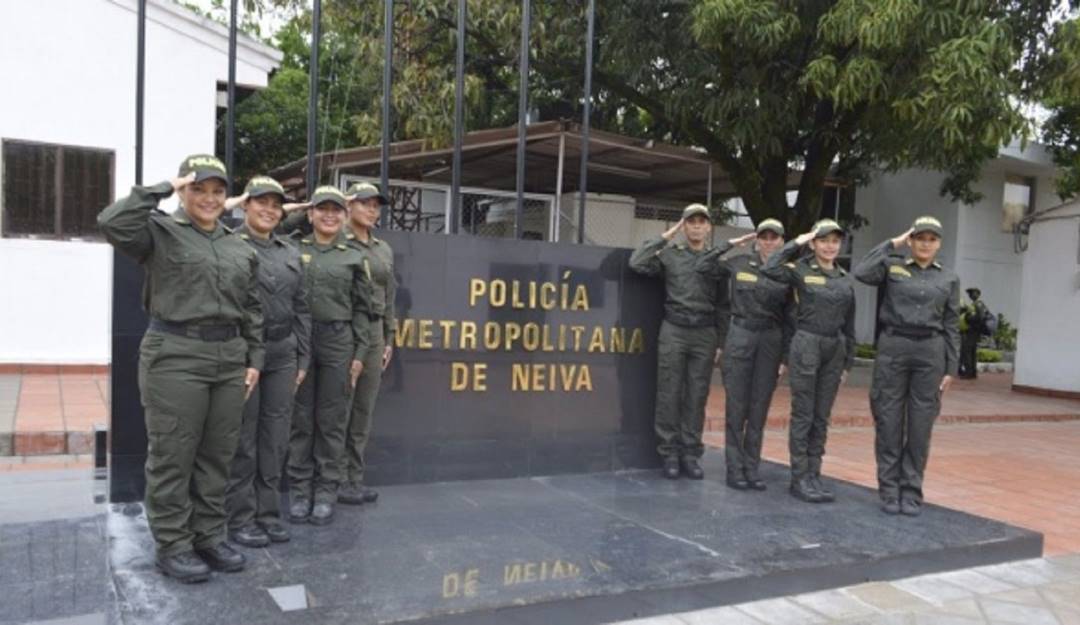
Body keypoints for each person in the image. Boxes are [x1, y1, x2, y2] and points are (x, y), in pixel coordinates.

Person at [97, 154, 263, 583]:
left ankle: (208, 535)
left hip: (229, 357)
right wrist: (163, 187)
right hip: (176, 353)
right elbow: (113, 222)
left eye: (217, 190)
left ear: (227, 196)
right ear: (185, 191)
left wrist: (253, 359)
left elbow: (252, 307)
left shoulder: (236, 244)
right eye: (199, 189)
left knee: (217, 453)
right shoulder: (160, 231)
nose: (209, 198)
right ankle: (173, 543)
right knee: (174, 453)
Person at [222, 177, 311, 547]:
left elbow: (302, 307)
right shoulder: (228, 244)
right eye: (261, 202)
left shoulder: (289, 251)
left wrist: (303, 356)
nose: (269, 210)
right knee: (244, 439)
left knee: (275, 439)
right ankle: (239, 518)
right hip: (243, 354)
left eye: (276, 205)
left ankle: (268, 513)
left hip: (282, 353)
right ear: (245, 205)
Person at [853, 216, 960, 516]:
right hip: (894, 347)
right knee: (888, 419)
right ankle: (889, 489)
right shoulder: (892, 266)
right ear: (911, 241)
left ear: (939, 244)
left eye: (931, 239)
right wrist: (893, 243)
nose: (925, 244)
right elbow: (861, 271)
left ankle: (911, 490)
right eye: (919, 238)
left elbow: (951, 323)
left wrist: (951, 367)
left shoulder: (948, 278)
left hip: (930, 351)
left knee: (920, 423)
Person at [283, 186, 373, 526]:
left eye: (337, 209)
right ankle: (300, 491)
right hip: (302, 340)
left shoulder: (353, 255)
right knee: (301, 419)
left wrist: (360, 353)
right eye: (322, 209)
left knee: (332, 421)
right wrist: (297, 206)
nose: (330, 215)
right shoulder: (293, 248)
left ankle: (325, 493)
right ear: (310, 213)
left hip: (338, 341)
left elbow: (365, 310)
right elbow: (268, 226)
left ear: (345, 215)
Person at [761, 219, 855, 504]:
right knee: (804, 414)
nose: (829, 246)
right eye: (823, 240)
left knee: (821, 416)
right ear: (814, 243)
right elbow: (770, 267)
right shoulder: (799, 269)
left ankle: (814, 474)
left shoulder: (844, 278)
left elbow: (849, 323)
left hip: (834, 348)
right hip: (807, 343)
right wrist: (798, 240)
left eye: (834, 241)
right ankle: (799, 477)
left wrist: (848, 362)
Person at [696, 218, 794, 491]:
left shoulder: (788, 273)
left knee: (759, 408)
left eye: (774, 237)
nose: (769, 242)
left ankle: (752, 468)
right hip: (740, 336)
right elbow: (703, 266)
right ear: (756, 239)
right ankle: (734, 468)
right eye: (764, 237)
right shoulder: (738, 263)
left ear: (782, 241)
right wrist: (729, 244)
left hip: (770, 340)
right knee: (737, 407)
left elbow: (790, 318)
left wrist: (784, 357)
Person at [629, 203, 722, 480]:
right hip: (675, 329)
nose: (696, 226)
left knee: (697, 395)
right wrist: (667, 235)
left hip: (704, 332)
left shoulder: (716, 260)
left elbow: (725, 304)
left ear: (708, 227)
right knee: (669, 393)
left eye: (701, 222)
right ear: (684, 225)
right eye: (690, 222)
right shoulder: (670, 255)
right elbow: (637, 262)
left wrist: (721, 341)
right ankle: (668, 453)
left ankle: (690, 454)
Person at [339, 182, 395, 506]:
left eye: (376, 205)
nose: (372, 210)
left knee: (363, 411)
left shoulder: (382, 249)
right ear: (349, 206)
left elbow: (389, 296)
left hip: (374, 334)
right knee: (339, 410)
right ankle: (331, 480)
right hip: (344, 333)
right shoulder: (337, 242)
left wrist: (389, 337)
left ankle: (353, 480)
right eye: (365, 204)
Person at [958, 287, 988, 379]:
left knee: (967, 351)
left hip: (973, 331)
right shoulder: (973, 304)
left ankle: (969, 372)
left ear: (978, 294)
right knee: (972, 351)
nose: (971, 295)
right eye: (970, 294)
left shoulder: (978, 304)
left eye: (973, 293)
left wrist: (968, 318)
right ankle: (972, 372)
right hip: (971, 330)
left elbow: (980, 317)